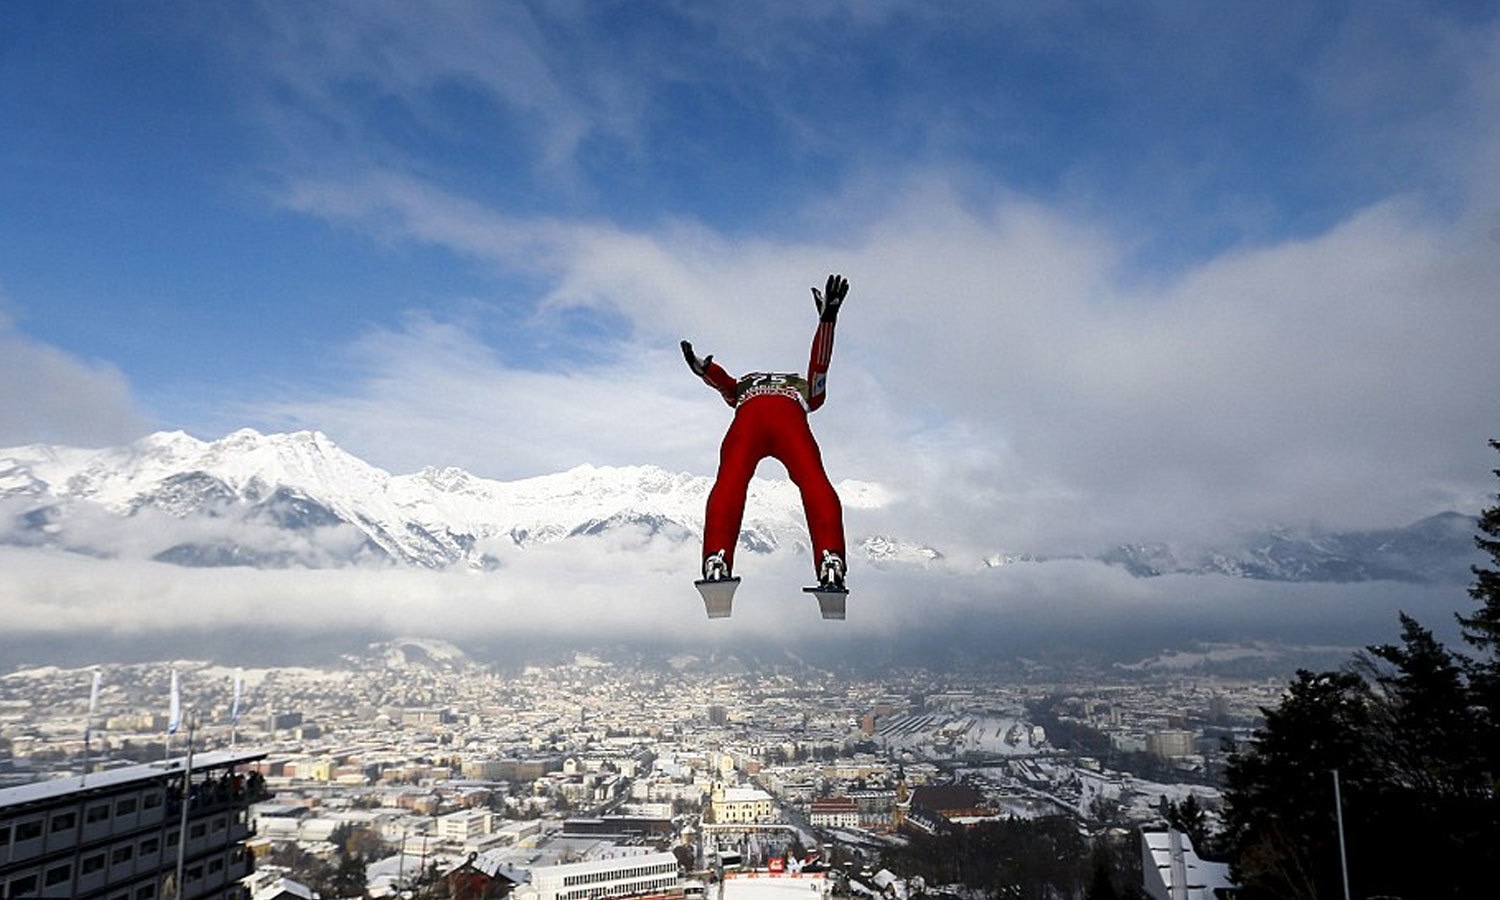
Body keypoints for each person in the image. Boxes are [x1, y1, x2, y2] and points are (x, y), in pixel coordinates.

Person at [681, 273, 850, 595]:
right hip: (791, 422)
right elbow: (819, 367)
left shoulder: (746, 385)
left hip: (748, 422)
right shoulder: (802, 388)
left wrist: (706, 371)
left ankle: (716, 558)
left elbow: (726, 385)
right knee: (814, 482)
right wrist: (827, 322)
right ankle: (831, 560)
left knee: (730, 482)